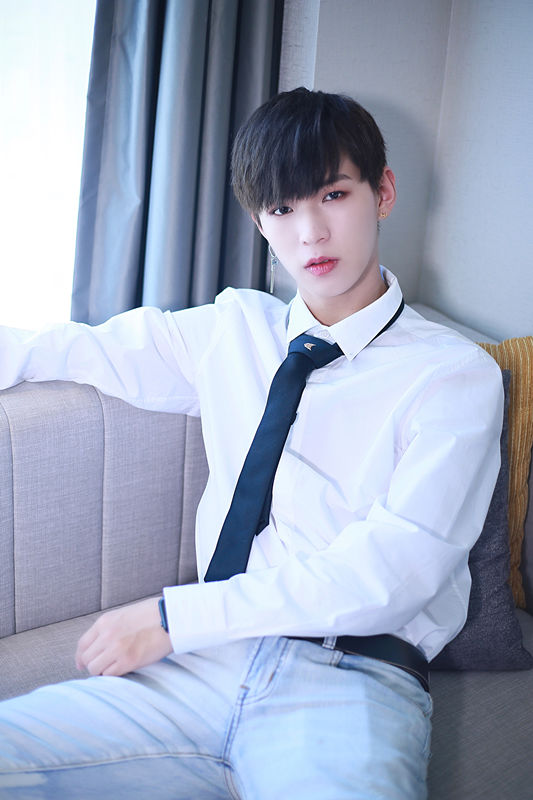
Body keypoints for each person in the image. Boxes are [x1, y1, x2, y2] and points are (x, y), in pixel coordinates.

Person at [0, 88, 503, 799]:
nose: (311, 234)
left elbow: (393, 572)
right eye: (282, 209)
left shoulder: (452, 375)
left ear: (383, 192)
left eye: (333, 195)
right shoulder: (232, 329)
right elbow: (69, 348)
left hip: (349, 682)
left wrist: (175, 617)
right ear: (260, 223)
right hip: (197, 668)